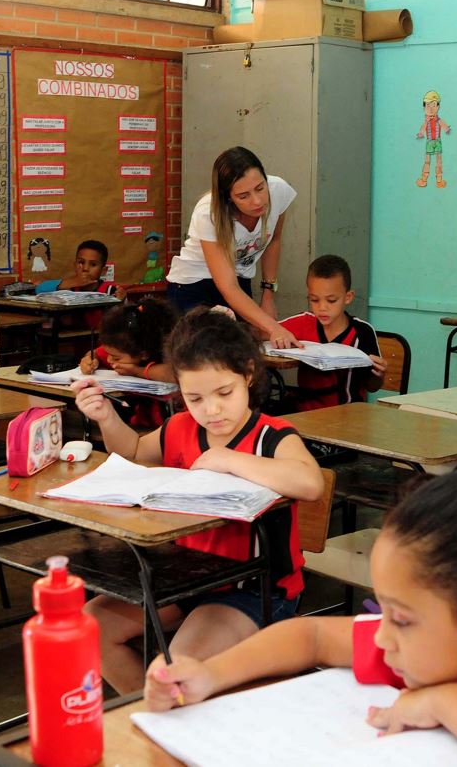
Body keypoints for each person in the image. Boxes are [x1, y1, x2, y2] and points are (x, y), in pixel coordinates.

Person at [142, 454, 457, 767]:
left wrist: (445, 703)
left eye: (401, 619)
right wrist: (209, 674)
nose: (383, 638)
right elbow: (312, 638)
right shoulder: (441, 647)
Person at [71, 308, 324, 692]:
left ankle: (170, 709)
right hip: (188, 581)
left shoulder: (271, 436)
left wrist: (231, 459)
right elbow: (135, 452)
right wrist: (106, 418)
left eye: (224, 393)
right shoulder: (180, 427)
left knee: (174, 672)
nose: (212, 410)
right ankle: (157, 713)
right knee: (88, 626)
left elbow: (310, 482)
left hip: (254, 590)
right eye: (195, 398)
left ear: (248, 376)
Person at [165, 147, 301, 349]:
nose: (257, 201)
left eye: (260, 188)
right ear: (228, 197)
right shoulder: (208, 213)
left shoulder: (279, 190)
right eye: (243, 196)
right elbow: (227, 287)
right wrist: (274, 327)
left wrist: (268, 295)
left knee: (247, 352)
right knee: (207, 356)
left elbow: (273, 240)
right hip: (193, 285)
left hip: (239, 279)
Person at [278, 255, 386, 412]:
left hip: (347, 417)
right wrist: (274, 332)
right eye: (314, 300)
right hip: (304, 416)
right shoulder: (303, 322)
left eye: (331, 300)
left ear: (348, 297)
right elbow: (261, 331)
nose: (322, 307)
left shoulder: (362, 332)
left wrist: (379, 376)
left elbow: (372, 387)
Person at [78, 298, 178, 428]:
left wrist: (137, 371)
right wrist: (89, 360)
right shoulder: (121, 349)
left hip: (165, 426)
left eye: (115, 358)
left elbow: (175, 373)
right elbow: (97, 353)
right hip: (137, 423)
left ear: (144, 354)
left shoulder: (170, 354)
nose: (109, 360)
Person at [35, 239, 127, 329]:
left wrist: (121, 301)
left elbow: (120, 319)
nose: (85, 268)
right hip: (71, 339)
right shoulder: (69, 288)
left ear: (103, 271)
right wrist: (70, 282)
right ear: (75, 265)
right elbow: (39, 289)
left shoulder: (110, 289)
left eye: (93, 264)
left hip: (100, 339)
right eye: (81, 262)